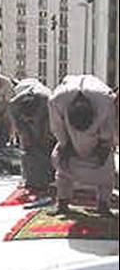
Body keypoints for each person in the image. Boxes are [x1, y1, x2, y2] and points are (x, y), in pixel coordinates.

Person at [49, 75, 117, 214]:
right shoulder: (56, 101)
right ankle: (62, 203)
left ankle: (103, 205)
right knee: (61, 163)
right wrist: (65, 144)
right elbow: (57, 127)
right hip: (70, 137)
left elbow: (107, 129)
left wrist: (103, 148)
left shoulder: (106, 102)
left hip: (96, 139)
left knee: (106, 168)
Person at [8, 78, 53, 190]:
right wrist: (25, 137)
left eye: (31, 119)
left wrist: (43, 137)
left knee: (46, 146)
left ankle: (49, 178)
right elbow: (20, 129)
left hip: (45, 118)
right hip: (27, 113)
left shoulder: (48, 102)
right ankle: (29, 178)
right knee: (27, 149)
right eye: (27, 119)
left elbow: (47, 128)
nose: (30, 122)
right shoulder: (13, 106)